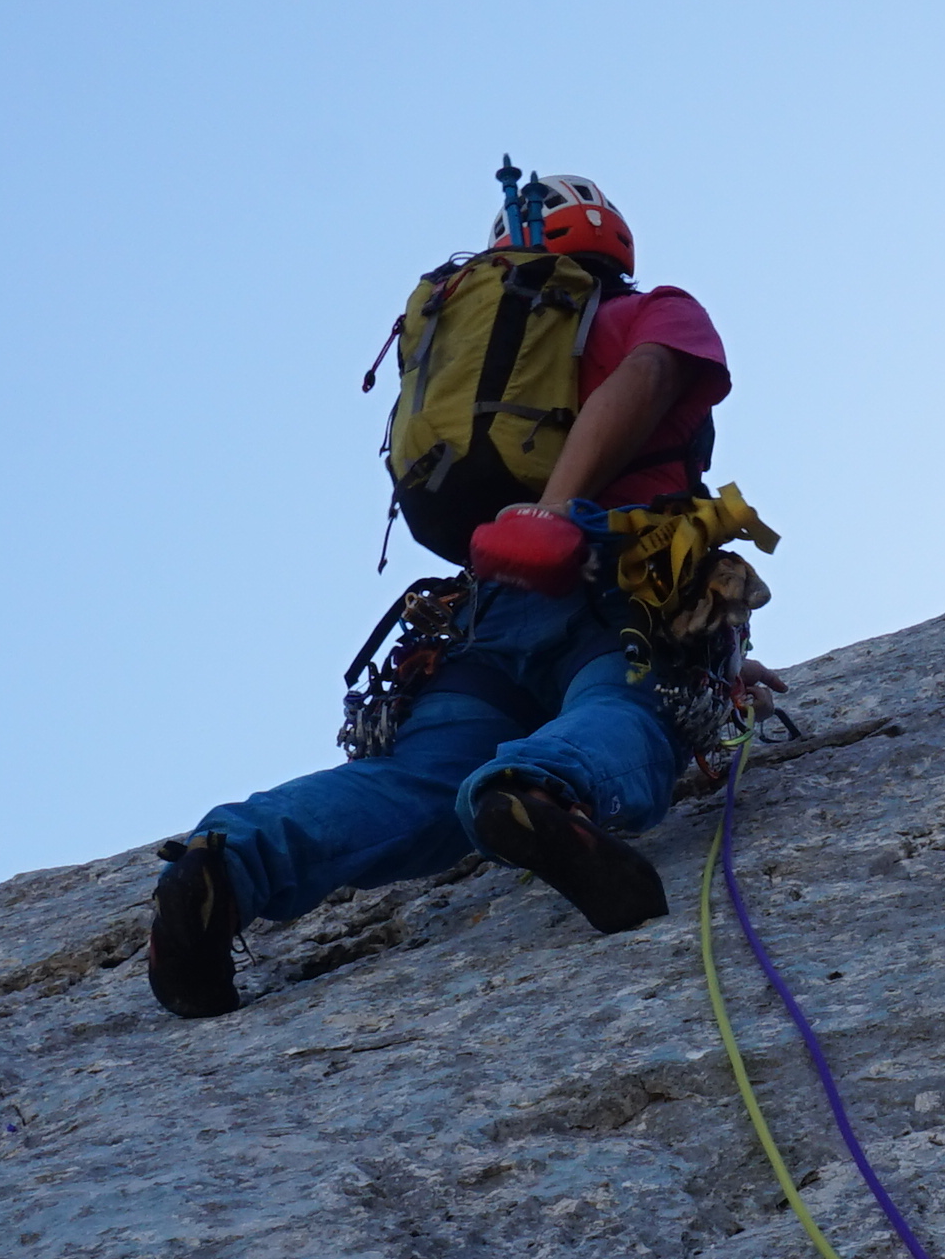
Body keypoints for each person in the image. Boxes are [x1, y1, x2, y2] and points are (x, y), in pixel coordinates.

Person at [146, 172, 731, 1020]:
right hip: (620, 574)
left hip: (487, 609)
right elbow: (644, 377)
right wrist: (561, 509)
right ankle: (536, 788)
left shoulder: (477, 354)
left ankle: (229, 861)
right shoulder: (652, 309)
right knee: (628, 706)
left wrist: (527, 524)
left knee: (417, 780)